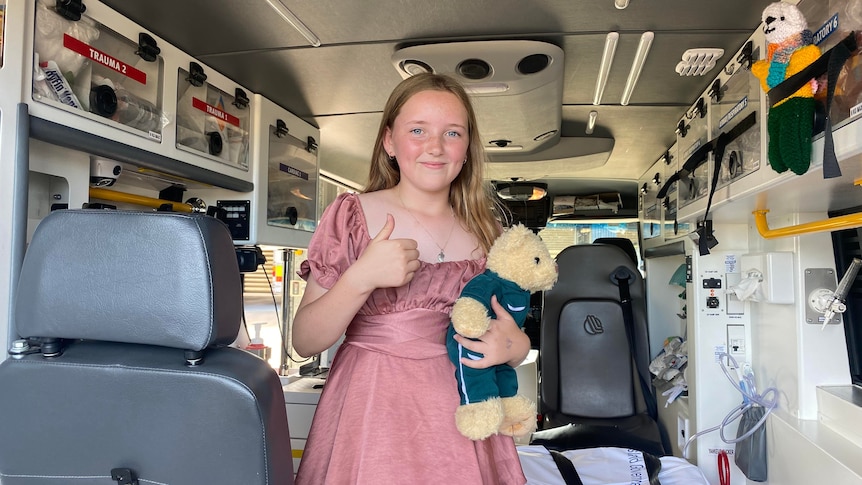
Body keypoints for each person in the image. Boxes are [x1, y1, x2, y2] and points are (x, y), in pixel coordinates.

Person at [291, 72, 530, 484]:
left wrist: (514, 346)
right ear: (389, 141)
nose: (435, 147)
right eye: (417, 130)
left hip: (464, 421)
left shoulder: (489, 232)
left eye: (452, 132)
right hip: (371, 416)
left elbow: (514, 336)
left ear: (468, 147)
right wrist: (360, 277)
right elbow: (304, 341)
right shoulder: (352, 215)